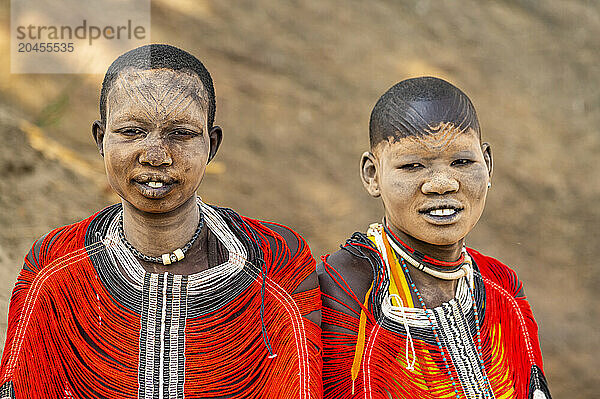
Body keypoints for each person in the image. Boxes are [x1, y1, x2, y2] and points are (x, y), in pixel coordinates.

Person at [0, 44, 322, 398]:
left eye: (181, 133)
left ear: (211, 145)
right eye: (131, 131)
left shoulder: (275, 265)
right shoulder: (56, 267)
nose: (155, 155)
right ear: (100, 139)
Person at [318, 77, 551, 398]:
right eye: (412, 165)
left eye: (462, 162)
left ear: (488, 164)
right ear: (372, 175)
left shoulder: (501, 285)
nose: (442, 183)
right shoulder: (344, 287)